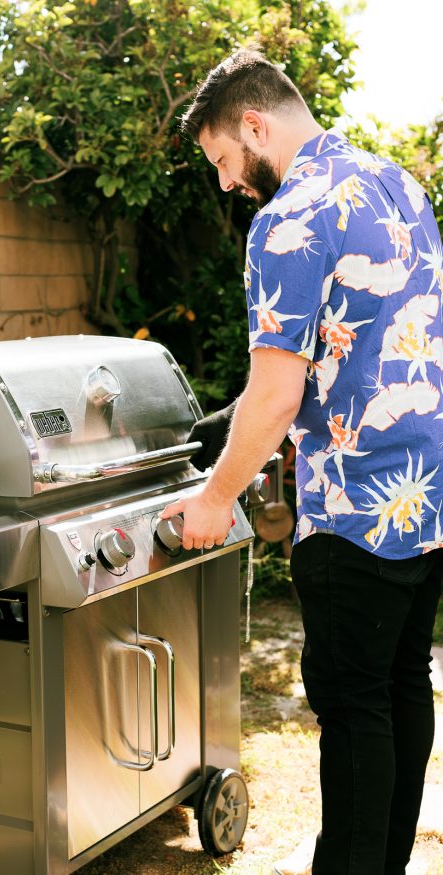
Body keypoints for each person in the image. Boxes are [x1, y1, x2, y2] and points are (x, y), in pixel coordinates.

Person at [160, 48, 443, 875]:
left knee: (355, 712)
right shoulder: (400, 185)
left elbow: (277, 394)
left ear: (254, 124)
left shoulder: (289, 218)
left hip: (354, 512)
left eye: (221, 159)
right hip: (425, 500)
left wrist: (214, 501)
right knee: (398, 692)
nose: (224, 182)